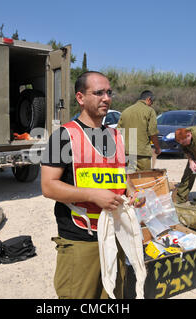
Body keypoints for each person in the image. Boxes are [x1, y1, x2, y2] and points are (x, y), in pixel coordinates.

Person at [40, 71, 142, 299]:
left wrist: (132, 192)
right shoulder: (63, 137)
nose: (106, 98)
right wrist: (92, 195)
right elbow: (48, 187)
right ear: (80, 98)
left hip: (116, 235)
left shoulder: (117, 136)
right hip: (81, 239)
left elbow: (120, 174)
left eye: (108, 92)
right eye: (98, 93)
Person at [117, 90, 161, 172]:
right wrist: (157, 148)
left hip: (127, 153)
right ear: (148, 99)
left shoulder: (125, 111)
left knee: (129, 180)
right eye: (152, 102)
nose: (151, 104)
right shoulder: (150, 111)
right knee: (144, 180)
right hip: (142, 153)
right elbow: (152, 132)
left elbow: (118, 132)